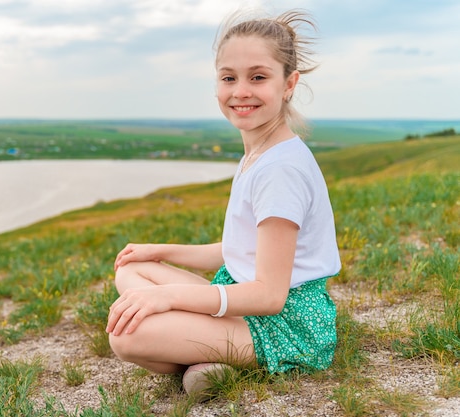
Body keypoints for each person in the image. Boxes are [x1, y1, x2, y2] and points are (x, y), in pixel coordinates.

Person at [106, 8, 341, 398]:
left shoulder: (281, 171)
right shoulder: (260, 152)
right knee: (135, 269)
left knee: (128, 337)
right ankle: (210, 358)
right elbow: (241, 252)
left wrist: (168, 298)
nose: (241, 91)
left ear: (289, 84)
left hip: (284, 324)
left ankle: (214, 356)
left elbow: (269, 295)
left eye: (258, 77)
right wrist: (161, 250)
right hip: (241, 299)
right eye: (229, 77)